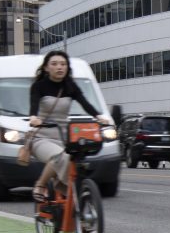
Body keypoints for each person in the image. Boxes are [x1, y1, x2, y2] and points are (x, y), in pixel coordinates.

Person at [28, 51, 111, 201]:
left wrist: (99, 117)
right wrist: (33, 117)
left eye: (63, 64)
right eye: (54, 64)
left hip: (64, 137)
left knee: (74, 160)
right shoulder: (39, 86)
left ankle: (72, 196)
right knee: (59, 156)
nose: (59, 67)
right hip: (42, 137)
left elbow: (85, 103)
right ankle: (40, 185)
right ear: (46, 68)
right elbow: (33, 104)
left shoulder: (70, 87)